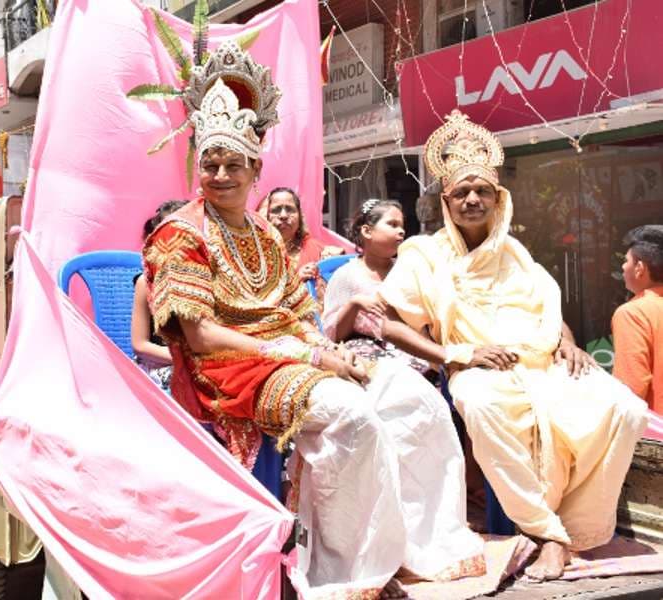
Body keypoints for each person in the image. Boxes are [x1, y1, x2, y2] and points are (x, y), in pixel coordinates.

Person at [143, 42, 483, 598]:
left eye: (234, 163)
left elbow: (298, 313)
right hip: (226, 373)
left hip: (290, 358)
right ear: (197, 167)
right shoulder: (179, 234)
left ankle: (409, 547)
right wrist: (310, 356)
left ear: (256, 167)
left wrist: (331, 351)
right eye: (210, 163)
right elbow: (199, 334)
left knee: (414, 401)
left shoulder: (265, 236)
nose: (221, 173)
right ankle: (347, 571)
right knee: (355, 419)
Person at [377, 110, 648, 581]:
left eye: (482, 190)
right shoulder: (423, 254)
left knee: (624, 408)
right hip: (480, 369)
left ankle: (580, 530)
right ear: (447, 200)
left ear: (498, 197)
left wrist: (568, 342)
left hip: (544, 363)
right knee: (482, 407)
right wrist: (457, 355)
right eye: (462, 192)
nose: (473, 199)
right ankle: (548, 535)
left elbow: (546, 307)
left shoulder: (516, 252)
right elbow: (391, 325)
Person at [322, 199, 430, 375]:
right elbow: (334, 336)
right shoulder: (347, 275)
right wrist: (354, 305)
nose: (401, 231)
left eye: (402, 226)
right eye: (392, 224)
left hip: (411, 345)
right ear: (367, 231)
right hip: (366, 350)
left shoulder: (407, 269)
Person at [131, 199, 188, 392]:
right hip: (160, 366)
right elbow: (140, 345)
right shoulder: (146, 284)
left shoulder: (206, 280)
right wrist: (184, 360)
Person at [612, 224, 663, 414]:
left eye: (626, 261)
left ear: (639, 268)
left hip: (656, 436)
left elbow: (631, 392)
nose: (623, 268)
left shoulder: (633, 314)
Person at [265, 186, 342, 282]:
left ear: (300, 216)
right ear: (265, 216)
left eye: (290, 209)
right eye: (276, 210)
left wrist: (336, 261)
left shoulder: (318, 250)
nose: (283, 215)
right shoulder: (256, 253)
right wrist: (296, 280)